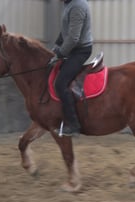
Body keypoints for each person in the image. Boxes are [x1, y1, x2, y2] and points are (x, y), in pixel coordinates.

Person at [49, 0, 93, 137]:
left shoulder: (78, 6)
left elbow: (73, 37)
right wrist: (56, 47)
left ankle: (73, 125)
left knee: (61, 83)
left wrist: (61, 53)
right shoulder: (69, 4)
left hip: (80, 50)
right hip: (73, 48)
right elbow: (65, 31)